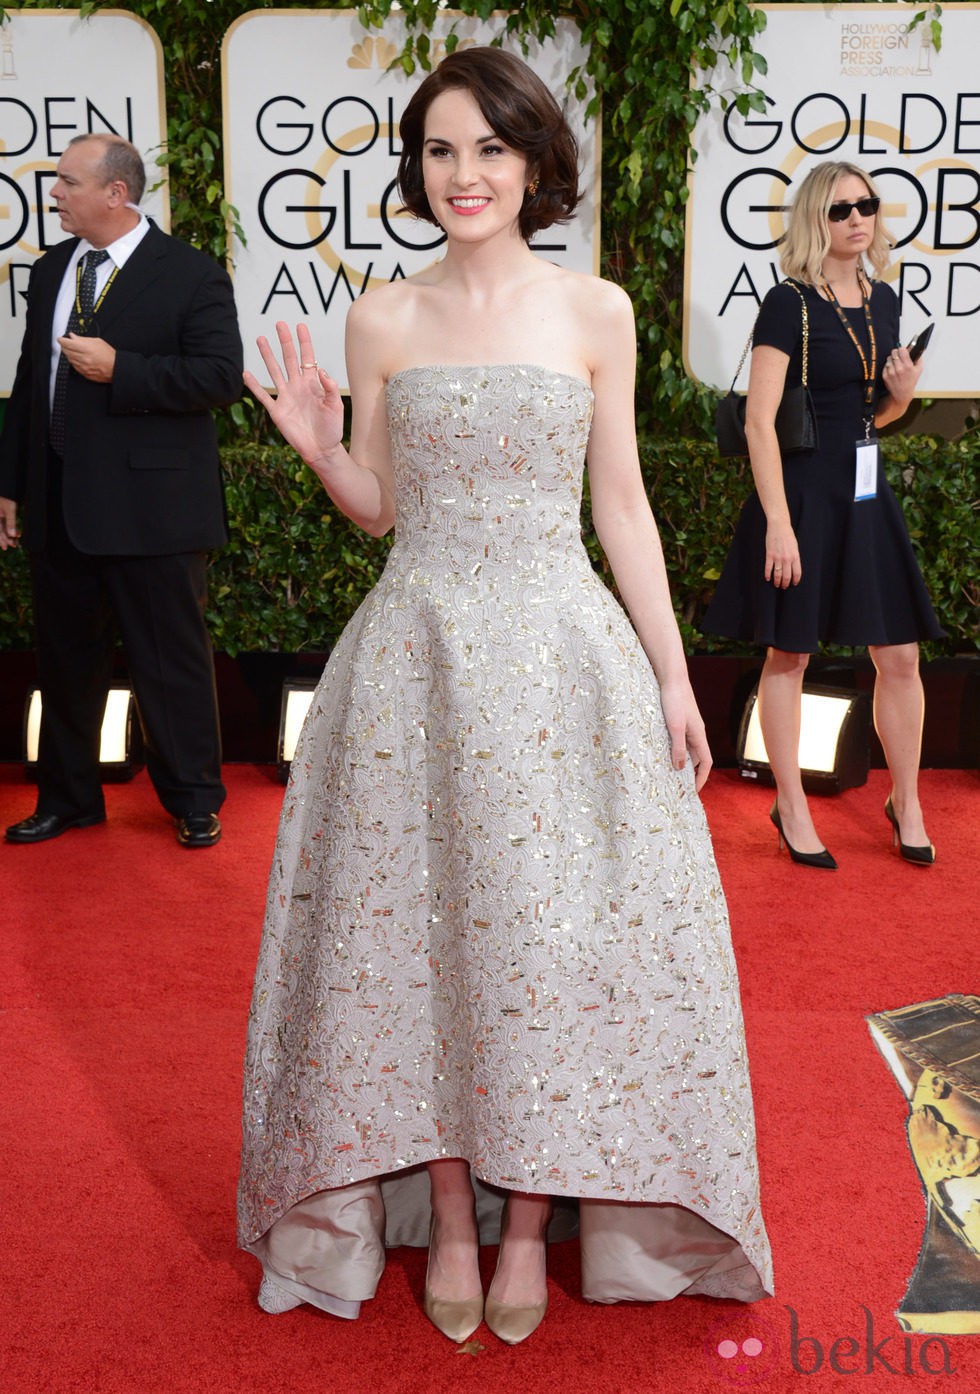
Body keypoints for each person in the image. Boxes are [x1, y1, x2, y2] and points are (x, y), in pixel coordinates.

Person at [238, 46, 772, 1346]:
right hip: (411, 666)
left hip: (559, 668)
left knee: (543, 951)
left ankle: (529, 1222)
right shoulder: (382, 316)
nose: (463, 173)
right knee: (414, 947)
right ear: (416, 170)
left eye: (489, 147)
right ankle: (454, 1217)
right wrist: (319, 447)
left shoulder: (595, 311)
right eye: (439, 149)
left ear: (537, 163)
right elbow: (384, 507)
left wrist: (668, 673)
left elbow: (623, 506)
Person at [0, 133, 243, 848]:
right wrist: (11, 485)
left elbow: (220, 379)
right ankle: (68, 798)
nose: (54, 194)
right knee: (65, 662)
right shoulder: (50, 270)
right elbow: (29, 385)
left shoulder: (190, 274)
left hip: (154, 513)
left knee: (171, 662)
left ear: (116, 192)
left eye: (68, 182)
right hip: (55, 504)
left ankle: (195, 800)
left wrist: (121, 370)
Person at [703, 161, 944, 869]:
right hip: (802, 494)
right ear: (816, 218)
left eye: (866, 205)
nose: (857, 218)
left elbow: (878, 417)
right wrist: (776, 520)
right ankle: (793, 803)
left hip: (865, 493)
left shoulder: (886, 300)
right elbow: (757, 422)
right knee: (792, 651)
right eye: (841, 209)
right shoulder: (788, 303)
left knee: (899, 654)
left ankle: (907, 800)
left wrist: (902, 393)